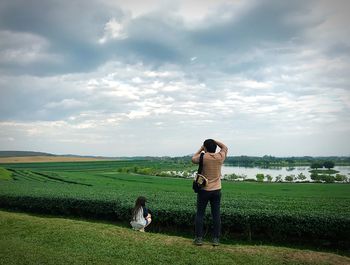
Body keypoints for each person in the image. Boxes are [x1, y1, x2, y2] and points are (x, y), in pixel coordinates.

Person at [192, 139, 228, 246]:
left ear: (205, 147)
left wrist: (202, 148)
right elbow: (225, 147)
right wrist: (215, 141)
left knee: (200, 214)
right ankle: (216, 239)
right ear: (215, 147)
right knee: (216, 215)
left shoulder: (203, 157)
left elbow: (193, 158)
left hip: (204, 190)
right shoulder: (220, 157)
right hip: (217, 190)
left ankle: (199, 239)